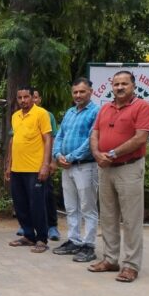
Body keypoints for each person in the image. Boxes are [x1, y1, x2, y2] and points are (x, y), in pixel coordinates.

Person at [88, 71, 149, 283]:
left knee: (131, 219)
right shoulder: (105, 108)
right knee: (107, 217)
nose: (119, 87)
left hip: (129, 167)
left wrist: (113, 154)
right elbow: (95, 134)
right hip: (105, 168)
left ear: (133, 86)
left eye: (124, 83)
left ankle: (131, 266)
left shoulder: (142, 107)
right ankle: (110, 259)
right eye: (116, 84)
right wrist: (98, 154)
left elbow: (140, 138)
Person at [51, 78, 100, 262]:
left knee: (88, 207)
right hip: (67, 167)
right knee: (71, 207)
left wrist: (70, 157)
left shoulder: (96, 112)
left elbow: (92, 140)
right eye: (75, 92)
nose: (78, 95)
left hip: (85, 166)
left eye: (82, 92)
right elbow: (60, 135)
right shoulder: (70, 112)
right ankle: (73, 241)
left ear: (90, 92)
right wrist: (57, 155)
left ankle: (89, 245)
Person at [5, 86, 52, 253]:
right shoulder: (15, 116)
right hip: (17, 168)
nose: (23, 100)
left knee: (37, 205)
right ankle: (28, 235)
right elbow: (13, 141)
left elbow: (47, 139)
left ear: (33, 97)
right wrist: (9, 164)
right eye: (20, 98)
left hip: (34, 168)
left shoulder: (41, 114)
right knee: (20, 204)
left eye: (26, 97)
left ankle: (41, 238)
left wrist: (45, 165)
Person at [32, 88, 61, 241]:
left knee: (47, 194)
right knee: (30, 196)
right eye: (32, 97)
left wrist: (52, 161)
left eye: (36, 97)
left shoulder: (46, 115)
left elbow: (53, 138)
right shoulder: (20, 116)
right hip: (26, 165)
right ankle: (29, 226)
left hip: (43, 163)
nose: (33, 100)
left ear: (40, 99)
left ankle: (52, 226)